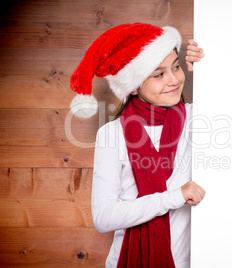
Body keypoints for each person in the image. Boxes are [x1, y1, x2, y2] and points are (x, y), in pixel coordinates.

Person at [69, 23, 205, 268]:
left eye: (176, 66)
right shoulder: (112, 134)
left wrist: (209, 68)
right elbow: (104, 217)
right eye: (159, 74)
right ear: (132, 86)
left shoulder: (197, 120)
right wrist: (175, 197)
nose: (174, 79)